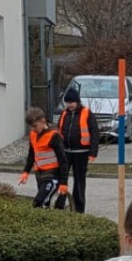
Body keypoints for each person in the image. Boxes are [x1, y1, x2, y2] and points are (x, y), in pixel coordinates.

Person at [58, 85, 97, 214]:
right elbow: (59, 132)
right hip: (66, 152)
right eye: (67, 102)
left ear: (77, 101)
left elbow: (94, 133)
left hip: (81, 153)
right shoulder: (64, 114)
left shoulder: (87, 113)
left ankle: (79, 209)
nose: (69, 105)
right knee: (62, 178)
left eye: (71, 102)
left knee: (79, 181)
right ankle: (59, 206)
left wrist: (93, 153)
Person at [18, 106, 67, 208]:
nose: (33, 129)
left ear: (43, 121)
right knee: (43, 203)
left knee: (38, 202)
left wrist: (64, 183)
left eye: (35, 126)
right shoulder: (33, 134)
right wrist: (26, 172)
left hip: (53, 174)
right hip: (40, 174)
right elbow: (31, 155)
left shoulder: (54, 136)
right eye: (31, 127)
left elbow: (63, 160)